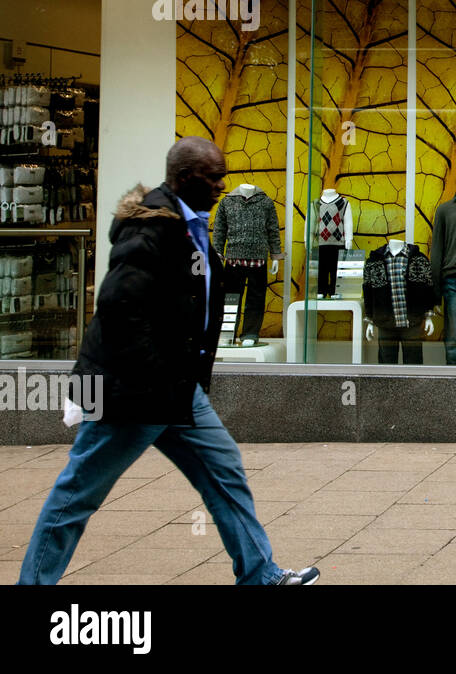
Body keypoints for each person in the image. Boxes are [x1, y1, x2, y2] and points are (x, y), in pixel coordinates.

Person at [17, 137, 320, 585]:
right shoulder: (152, 228)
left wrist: (182, 377)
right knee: (78, 492)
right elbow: (119, 309)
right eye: (212, 176)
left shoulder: (189, 222)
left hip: (175, 389)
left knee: (224, 472)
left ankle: (260, 575)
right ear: (183, 177)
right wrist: (157, 376)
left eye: (222, 174)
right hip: (129, 391)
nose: (222, 184)